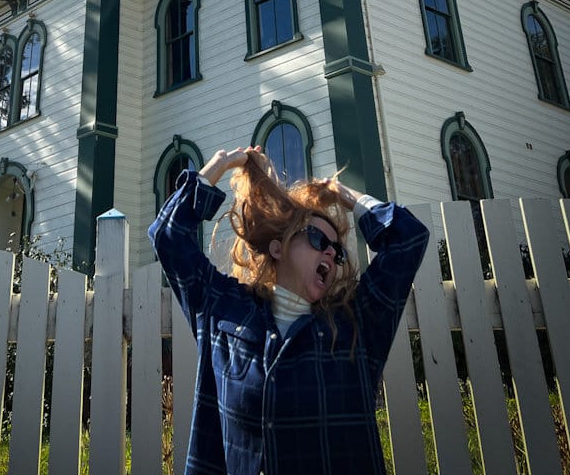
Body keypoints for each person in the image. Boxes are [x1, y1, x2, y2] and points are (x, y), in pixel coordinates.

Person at [149, 145, 429, 475]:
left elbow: (408, 238)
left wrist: (344, 195)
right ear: (278, 247)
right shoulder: (225, 311)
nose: (330, 254)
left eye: (337, 253)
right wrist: (223, 163)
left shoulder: (356, 325)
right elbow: (168, 234)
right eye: (317, 240)